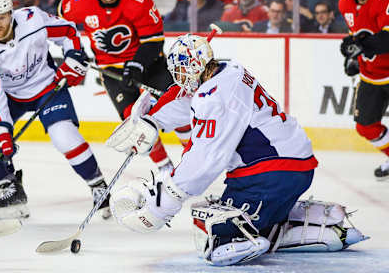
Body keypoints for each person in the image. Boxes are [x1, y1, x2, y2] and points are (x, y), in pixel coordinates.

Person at [106, 33, 367, 266]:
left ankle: (245, 238)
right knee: (245, 216)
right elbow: (185, 96)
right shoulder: (228, 69)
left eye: (181, 71)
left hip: (268, 175)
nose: (179, 78)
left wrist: (164, 201)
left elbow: (206, 157)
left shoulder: (215, 98)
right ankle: (313, 226)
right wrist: (153, 119)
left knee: (212, 227)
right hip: (292, 167)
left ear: (194, 67)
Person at [0, 0, 111, 220]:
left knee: (63, 135)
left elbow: (68, 31)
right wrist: (3, 131)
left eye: (2, 17)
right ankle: (10, 188)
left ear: (11, 13)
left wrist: (73, 55)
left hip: (47, 86)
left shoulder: (32, 20)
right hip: (9, 96)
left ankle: (98, 186)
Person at [59, 0, 191, 171]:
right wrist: (74, 49)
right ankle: (165, 169)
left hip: (150, 65)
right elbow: (58, 21)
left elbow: (154, 39)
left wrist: (138, 65)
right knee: (136, 125)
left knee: (177, 111)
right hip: (111, 71)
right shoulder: (81, 2)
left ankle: (193, 158)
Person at [339, 0, 389, 180]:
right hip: (371, 78)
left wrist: (360, 46)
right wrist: (350, 56)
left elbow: (386, 39)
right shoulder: (345, 3)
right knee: (366, 127)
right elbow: (355, 35)